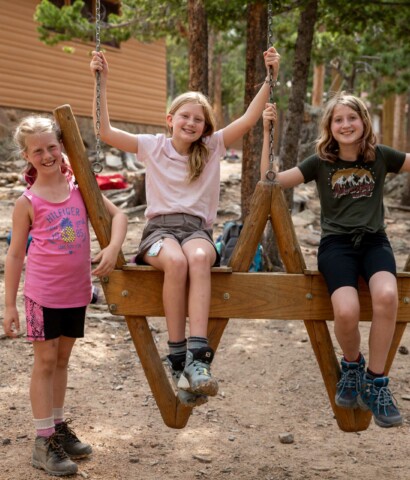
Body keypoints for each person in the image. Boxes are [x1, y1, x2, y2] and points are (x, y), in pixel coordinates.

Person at [90, 47, 280, 407]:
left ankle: (198, 360)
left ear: (205, 127)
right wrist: (101, 79)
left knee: (197, 258)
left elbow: (249, 119)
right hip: (158, 233)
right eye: (185, 116)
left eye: (199, 119)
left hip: (197, 232)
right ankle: (177, 356)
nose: (191, 123)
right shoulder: (153, 146)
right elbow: (104, 130)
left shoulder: (211, 147)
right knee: (176, 262)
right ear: (170, 118)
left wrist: (270, 76)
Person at [261, 94, 410, 428]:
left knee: (387, 296)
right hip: (337, 245)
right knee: (346, 310)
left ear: (364, 121)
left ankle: (375, 382)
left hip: (374, 242)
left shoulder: (381, 156)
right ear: (329, 126)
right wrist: (268, 131)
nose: (346, 125)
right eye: (338, 120)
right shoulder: (320, 162)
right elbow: (271, 179)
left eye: (352, 118)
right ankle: (353, 366)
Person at [3, 116, 128, 476]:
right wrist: (10, 304)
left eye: (52, 147)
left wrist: (113, 248)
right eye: (38, 150)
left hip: (77, 294)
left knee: (61, 362)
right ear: (26, 156)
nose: (47, 155)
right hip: (43, 296)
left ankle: (57, 429)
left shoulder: (80, 190)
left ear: (62, 146)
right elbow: (15, 255)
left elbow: (117, 217)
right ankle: (43, 443)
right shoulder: (27, 202)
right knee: (44, 362)